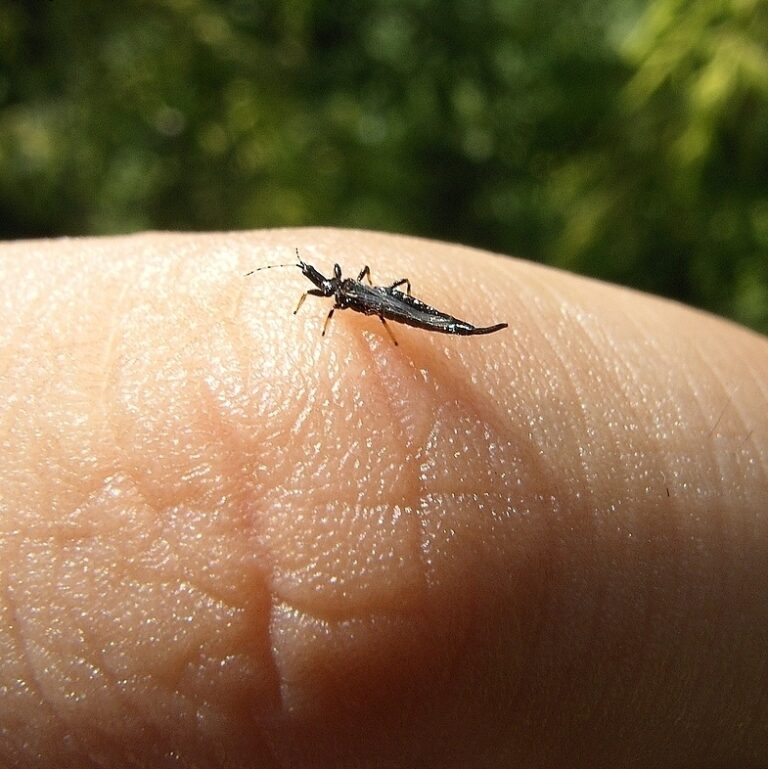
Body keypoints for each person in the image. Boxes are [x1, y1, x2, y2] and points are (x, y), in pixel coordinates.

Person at [1, 229, 766, 769]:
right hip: (389, 311)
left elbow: (350, 301)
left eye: (316, 285)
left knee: (420, 316)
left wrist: (354, 306)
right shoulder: (335, 299)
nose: (318, 290)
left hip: (395, 309)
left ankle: (458, 326)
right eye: (318, 285)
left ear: (327, 285)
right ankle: (454, 325)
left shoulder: (347, 299)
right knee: (416, 319)